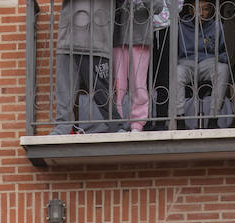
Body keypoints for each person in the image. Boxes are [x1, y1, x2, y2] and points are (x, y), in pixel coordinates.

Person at [51, 0, 115, 134]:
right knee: (64, 91)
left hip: (98, 42)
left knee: (102, 92)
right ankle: (62, 128)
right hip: (68, 41)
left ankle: (116, 125)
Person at [173, 0, 229, 129]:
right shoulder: (181, 27)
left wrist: (219, 58)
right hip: (186, 63)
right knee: (177, 72)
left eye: (205, 9)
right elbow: (173, 52)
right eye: (197, 9)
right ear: (191, 10)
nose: (201, 13)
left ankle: (213, 118)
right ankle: (179, 117)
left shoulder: (217, 26)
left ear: (210, 11)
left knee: (223, 69)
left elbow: (226, 50)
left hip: (208, 63)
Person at [112, 0, 158, 131]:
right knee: (117, 85)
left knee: (138, 85)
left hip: (140, 39)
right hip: (117, 37)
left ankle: (137, 123)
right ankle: (116, 123)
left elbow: (158, 7)